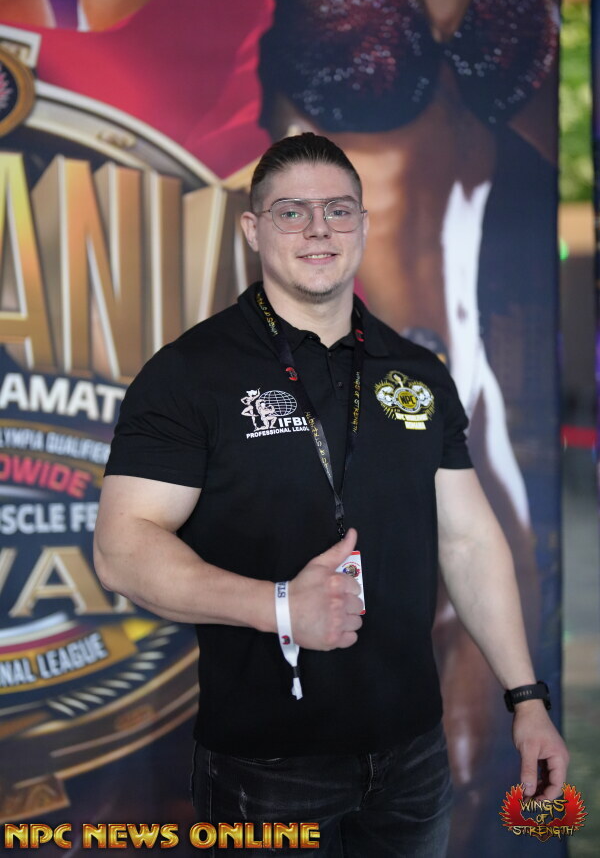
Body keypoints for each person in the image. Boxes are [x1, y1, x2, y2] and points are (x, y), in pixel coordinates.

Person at [94, 132, 568, 857]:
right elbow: (123, 550)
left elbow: (468, 541)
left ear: (363, 225)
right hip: (265, 764)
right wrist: (281, 606)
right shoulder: (189, 373)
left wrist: (526, 697)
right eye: (291, 212)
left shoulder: (417, 371)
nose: (319, 229)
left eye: (338, 210)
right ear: (253, 229)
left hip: (414, 756)